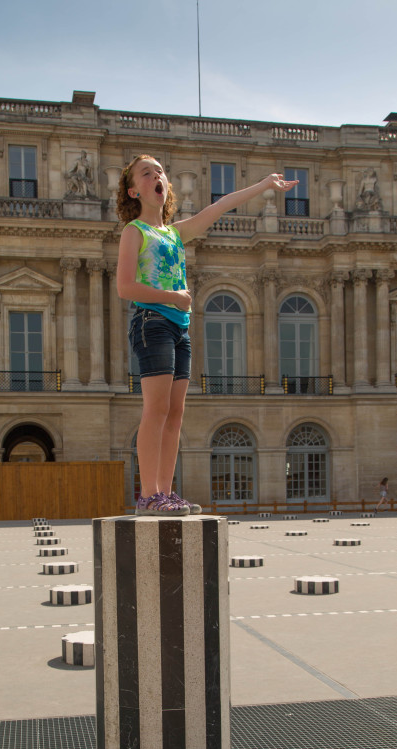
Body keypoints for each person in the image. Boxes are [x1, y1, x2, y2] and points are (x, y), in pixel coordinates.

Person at [116, 154, 297, 515]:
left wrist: (263, 186)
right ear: (134, 190)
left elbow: (220, 206)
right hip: (152, 322)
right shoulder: (134, 232)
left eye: (160, 172)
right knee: (155, 410)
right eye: (147, 173)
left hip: (179, 329)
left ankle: (165, 493)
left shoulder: (174, 232)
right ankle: (148, 495)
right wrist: (174, 297)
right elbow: (125, 287)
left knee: (176, 413)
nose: (157, 176)